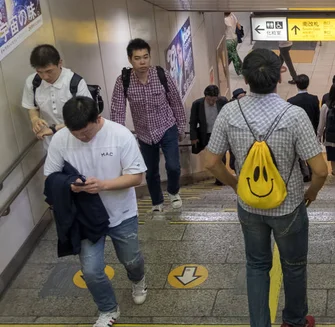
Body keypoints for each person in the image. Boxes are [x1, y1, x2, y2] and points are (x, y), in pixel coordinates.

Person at [203, 49, 329, 327]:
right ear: (280, 76)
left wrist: (236, 185)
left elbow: (210, 162)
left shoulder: (230, 112)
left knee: (257, 265)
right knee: (294, 265)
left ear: (245, 79)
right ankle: (295, 322)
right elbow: (321, 170)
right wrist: (310, 193)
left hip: (250, 208)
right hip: (288, 207)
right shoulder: (294, 115)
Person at [44, 97, 147, 327]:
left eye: (86, 132)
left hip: (121, 213)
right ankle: (108, 309)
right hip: (86, 216)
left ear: (98, 119)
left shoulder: (120, 135)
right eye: (75, 133)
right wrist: (70, 184)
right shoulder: (61, 139)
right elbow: (51, 176)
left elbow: (136, 177)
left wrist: (102, 185)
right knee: (90, 270)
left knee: (131, 260)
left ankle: (138, 279)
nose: (81, 137)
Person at [110, 38, 186, 213]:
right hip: (144, 133)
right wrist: (117, 138)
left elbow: (175, 101)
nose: (142, 61)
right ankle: (157, 202)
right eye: (137, 58)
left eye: (145, 57)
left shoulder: (161, 75)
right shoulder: (123, 80)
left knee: (173, 166)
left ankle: (173, 192)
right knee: (150, 171)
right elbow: (117, 110)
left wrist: (181, 126)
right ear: (130, 59)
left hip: (167, 126)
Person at [22, 45, 92, 147]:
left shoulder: (75, 82)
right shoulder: (32, 82)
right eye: (40, 72)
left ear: (60, 63)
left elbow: (87, 116)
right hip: (52, 144)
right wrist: (35, 119)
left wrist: (54, 129)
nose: (45, 76)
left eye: (49, 71)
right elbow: (32, 106)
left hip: (80, 141)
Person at [190, 85, 229, 185]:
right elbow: (193, 121)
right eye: (209, 99)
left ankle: (221, 179)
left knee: (221, 156)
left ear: (217, 97)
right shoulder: (197, 104)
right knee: (211, 157)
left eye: (214, 99)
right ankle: (218, 177)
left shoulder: (223, 101)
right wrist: (193, 137)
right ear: (205, 97)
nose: (211, 102)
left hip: (220, 133)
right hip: (206, 133)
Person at [288, 74, 320, 182]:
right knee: (311, 153)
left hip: (297, 132)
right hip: (311, 131)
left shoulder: (291, 101)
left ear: (296, 85)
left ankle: (304, 173)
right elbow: (317, 117)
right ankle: (312, 172)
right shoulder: (314, 99)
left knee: (299, 154)